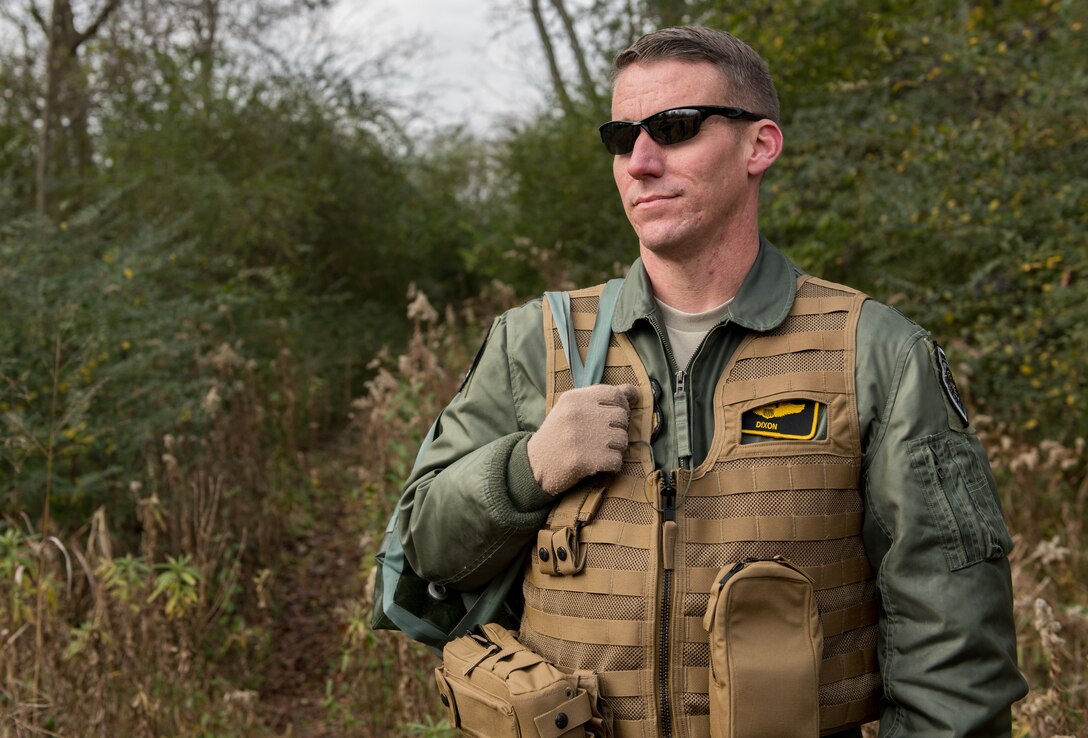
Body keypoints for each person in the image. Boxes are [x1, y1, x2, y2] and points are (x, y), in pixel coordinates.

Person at [397, 25, 1026, 738]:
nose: (639, 161)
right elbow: (426, 551)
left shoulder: (877, 354)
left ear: (759, 145)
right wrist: (528, 468)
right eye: (621, 135)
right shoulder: (531, 343)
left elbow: (954, 648)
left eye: (675, 128)